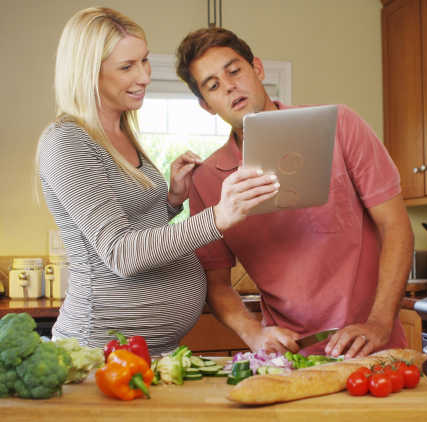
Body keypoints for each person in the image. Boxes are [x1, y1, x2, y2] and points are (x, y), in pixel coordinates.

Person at [37, 8, 279, 354]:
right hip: (100, 351)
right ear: (89, 73)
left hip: (154, 349)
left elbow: (135, 225)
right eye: (127, 67)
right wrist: (217, 217)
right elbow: (121, 252)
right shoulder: (67, 141)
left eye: (145, 61)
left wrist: (171, 201)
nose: (145, 76)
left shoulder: (120, 132)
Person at [175, 27, 414, 359]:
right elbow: (217, 284)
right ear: (206, 105)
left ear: (257, 68)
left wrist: (379, 323)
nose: (229, 86)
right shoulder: (206, 181)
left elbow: (396, 226)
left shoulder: (340, 125)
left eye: (234, 71)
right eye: (213, 85)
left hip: (373, 349)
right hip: (289, 359)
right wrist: (254, 333)